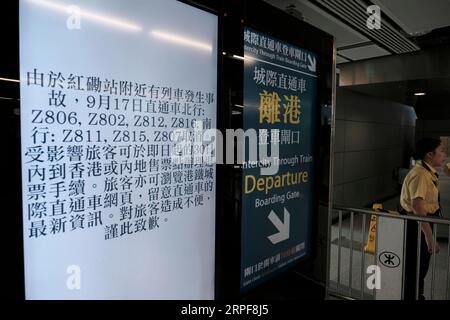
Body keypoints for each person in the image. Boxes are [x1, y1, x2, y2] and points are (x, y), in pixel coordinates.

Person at [400, 137, 447, 300]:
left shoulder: (427, 171)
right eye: (441, 151)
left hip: (423, 221)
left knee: (420, 265)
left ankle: (415, 295)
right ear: (429, 154)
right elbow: (417, 207)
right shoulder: (420, 174)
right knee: (416, 265)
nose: (444, 154)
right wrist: (429, 237)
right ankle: (412, 295)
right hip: (418, 224)